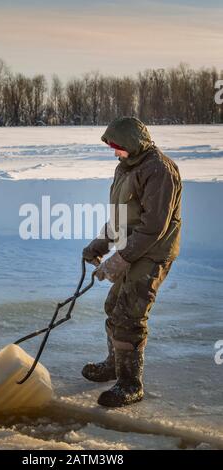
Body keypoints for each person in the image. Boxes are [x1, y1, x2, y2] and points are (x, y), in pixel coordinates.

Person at [82, 117, 182, 407]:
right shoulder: (125, 168)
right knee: (114, 306)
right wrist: (99, 245)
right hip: (132, 248)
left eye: (118, 147)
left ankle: (130, 383)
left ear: (132, 144)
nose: (115, 153)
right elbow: (120, 219)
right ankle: (114, 365)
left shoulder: (159, 170)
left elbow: (153, 227)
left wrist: (120, 260)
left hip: (153, 252)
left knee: (129, 314)